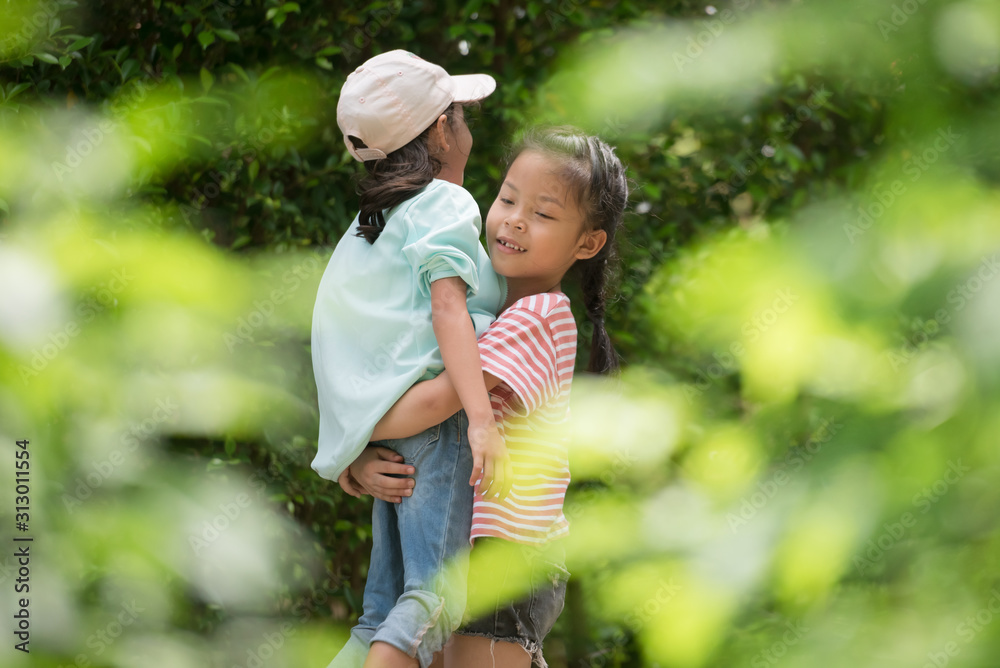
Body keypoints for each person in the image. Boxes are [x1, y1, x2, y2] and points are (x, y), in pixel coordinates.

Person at [349, 127, 629, 668]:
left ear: (588, 243)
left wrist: (345, 442)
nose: (516, 219)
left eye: (544, 214)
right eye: (507, 198)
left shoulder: (537, 316)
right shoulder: (488, 312)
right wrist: (358, 461)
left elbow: (433, 406)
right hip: (466, 550)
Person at [311, 49, 512, 668]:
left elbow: (344, 335)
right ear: (441, 131)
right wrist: (479, 417)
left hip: (385, 437)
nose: (468, 127)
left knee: (379, 612)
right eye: (462, 114)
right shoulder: (446, 204)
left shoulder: (367, 226)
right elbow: (447, 310)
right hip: (434, 422)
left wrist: (354, 447)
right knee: (436, 597)